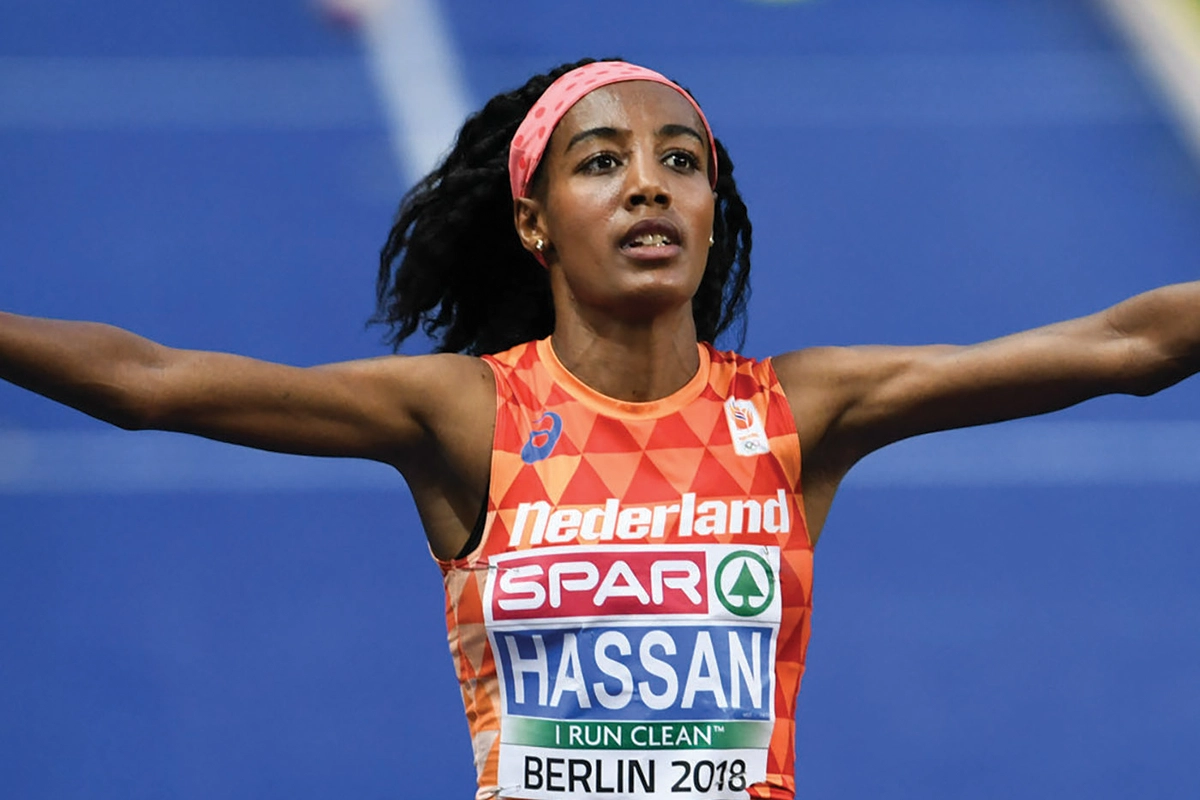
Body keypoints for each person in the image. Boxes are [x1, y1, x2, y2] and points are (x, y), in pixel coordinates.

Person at [1, 57, 1197, 799]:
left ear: (712, 219)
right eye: (602, 161)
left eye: (683, 163)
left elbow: (1127, 346)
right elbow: (150, 379)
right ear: (535, 225)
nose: (649, 183)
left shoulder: (796, 410)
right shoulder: (467, 414)